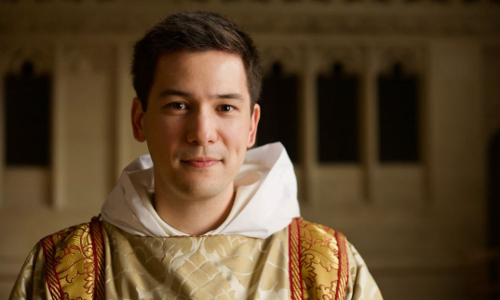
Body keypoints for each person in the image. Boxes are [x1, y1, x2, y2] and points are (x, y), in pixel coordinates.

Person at [10, 11, 383, 300]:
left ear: (252, 126)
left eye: (225, 108)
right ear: (140, 120)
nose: (202, 133)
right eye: (177, 105)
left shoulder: (326, 266)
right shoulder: (63, 268)